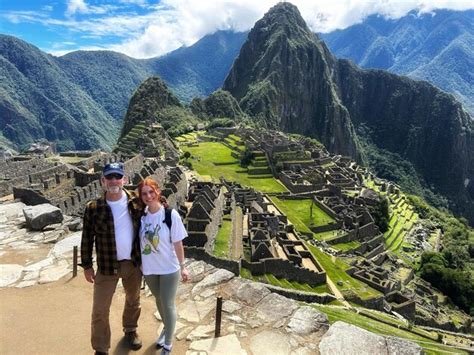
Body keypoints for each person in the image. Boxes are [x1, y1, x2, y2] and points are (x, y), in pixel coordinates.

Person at [81, 162, 143, 355]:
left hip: (132, 263)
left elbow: (155, 215)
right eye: (109, 177)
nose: (114, 181)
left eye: (117, 176)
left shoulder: (136, 201)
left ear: (124, 179)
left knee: (133, 300)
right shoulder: (93, 208)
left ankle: (130, 330)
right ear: (102, 181)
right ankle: (101, 348)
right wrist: (86, 265)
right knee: (100, 310)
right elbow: (86, 238)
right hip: (107, 266)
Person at [138, 177, 190, 355]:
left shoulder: (170, 215)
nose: (148, 196)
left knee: (167, 304)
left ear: (157, 192)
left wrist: (183, 266)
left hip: (169, 268)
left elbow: (178, 243)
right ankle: (167, 330)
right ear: (141, 196)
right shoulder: (142, 216)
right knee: (159, 301)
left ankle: (168, 343)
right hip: (150, 269)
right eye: (144, 193)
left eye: (151, 192)